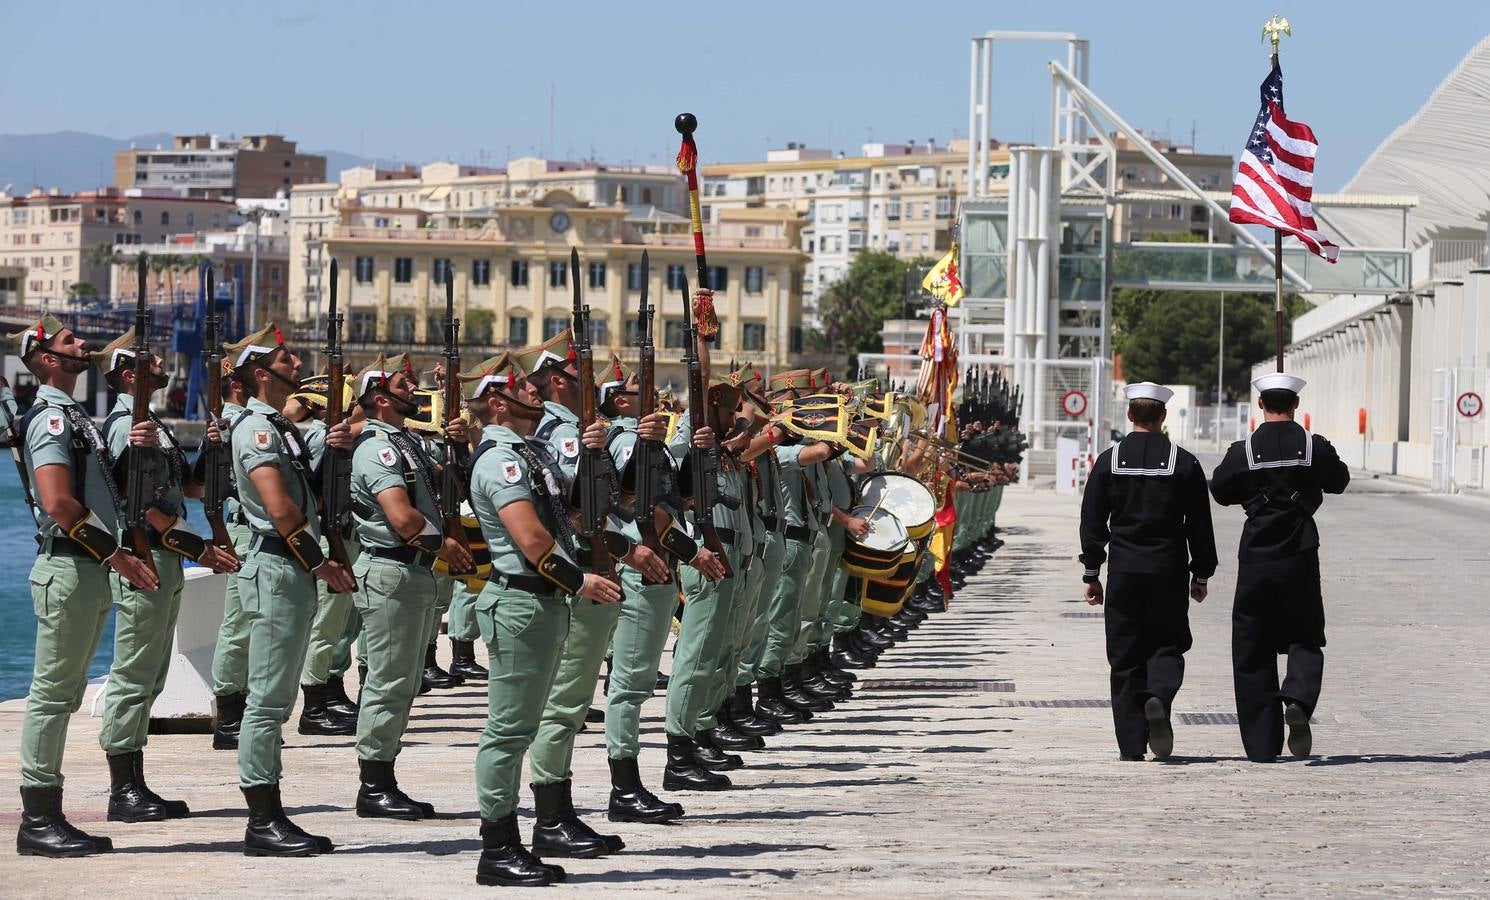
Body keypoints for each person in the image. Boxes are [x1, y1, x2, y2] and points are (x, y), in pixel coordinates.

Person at [461, 352, 621, 887]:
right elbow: (531, 539)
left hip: (542, 602)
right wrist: (581, 581)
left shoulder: (530, 455)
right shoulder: (500, 461)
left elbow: (569, 514)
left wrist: (595, 459)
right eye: (520, 390)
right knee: (508, 731)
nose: (535, 393)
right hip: (522, 601)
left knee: (525, 725)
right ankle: (498, 848)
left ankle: (528, 834)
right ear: (496, 406)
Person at [8, 316, 158, 858]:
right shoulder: (50, 417)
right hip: (73, 566)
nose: (83, 345)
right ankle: (39, 817)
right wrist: (117, 553)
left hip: (87, 567)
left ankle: (48, 813)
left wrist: (136, 450)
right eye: (69, 341)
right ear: (47, 358)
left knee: (66, 694)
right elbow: (59, 503)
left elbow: (102, 492)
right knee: (51, 697)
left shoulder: (76, 416)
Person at [518, 332, 669, 857]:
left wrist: (644, 445)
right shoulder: (562, 435)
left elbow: (614, 498)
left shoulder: (581, 431)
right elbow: (576, 516)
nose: (595, 383)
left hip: (594, 572)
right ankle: (550, 816)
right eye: (583, 373)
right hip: (581, 575)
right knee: (564, 702)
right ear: (560, 378)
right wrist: (628, 549)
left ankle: (558, 811)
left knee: (572, 699)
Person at [93, 330, 238, 822]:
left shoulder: (153, 425)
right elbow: (132, 503)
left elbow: (190, 489)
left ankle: (135, 781)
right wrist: (200, 547)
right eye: (149, 359)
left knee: (150, 674)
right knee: (134, 674)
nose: (161, 362)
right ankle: (122, 789)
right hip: (146, 557)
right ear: (128, 376)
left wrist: (211, 450)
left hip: (166, 558)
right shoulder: (124, 427)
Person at [225, 322, 357, 856]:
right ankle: (262, 817)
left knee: (276, 698)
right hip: (280, 567)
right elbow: (279, 510)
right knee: (268, 699)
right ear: (261, 375)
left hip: (291, 568)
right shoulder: (257, 431)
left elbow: (312, 491)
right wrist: (321, 562)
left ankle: (269, 810)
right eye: (288, 363)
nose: (299, 367)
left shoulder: (281, 429)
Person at [346, 355, 471, 819]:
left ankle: (384, 775)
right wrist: (444, 547)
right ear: (381, 398)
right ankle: (374, 785)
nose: (414, 390)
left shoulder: (407, 442)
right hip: (394, 570)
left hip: (414, 570)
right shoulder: (376, 447)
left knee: (404, 680)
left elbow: (445, 485)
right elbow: (401, 517)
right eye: (404, 385)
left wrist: (462, 443)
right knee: (389, 680)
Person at [1211, 372, 1349, 761]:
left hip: (1255, 558)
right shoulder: (1313, 446)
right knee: (1305, 635)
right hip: (1300, 555)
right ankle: (1299, 703)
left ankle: (1262, 746)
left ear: (1260, 406)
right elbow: (1340, 481)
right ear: (1296, 406)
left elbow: (1220, 491)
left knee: (1251, 648)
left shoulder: (1243, 450)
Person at [1079, 382, 1217, 760]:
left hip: (1124, 571)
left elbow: (1092, 520)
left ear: (1129, 416)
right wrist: (1201, 573)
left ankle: (1130, 745)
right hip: (1168, 569)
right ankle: (1158, 695)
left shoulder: (1108, 461)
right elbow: (1200, 526)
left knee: (1124, 655)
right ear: (1163, 417)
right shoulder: (1185, 462)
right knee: (1167, 643)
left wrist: (1092, 572)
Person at [285, 373, 363, 736]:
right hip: (333, 532)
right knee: (327, 625)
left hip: (337, 531)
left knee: (336, 624)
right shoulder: (317, 434)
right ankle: (315, 705)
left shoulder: (316, 432)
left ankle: (328, 695)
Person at [210, 359, 257, 750]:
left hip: (257, 531)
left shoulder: (246, 421)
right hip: (244, 529)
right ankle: (228, 716)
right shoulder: (227, 425)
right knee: (239, 624)